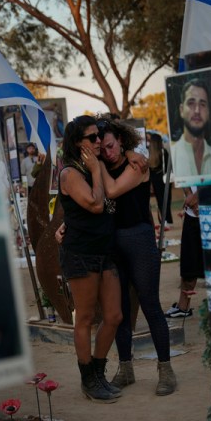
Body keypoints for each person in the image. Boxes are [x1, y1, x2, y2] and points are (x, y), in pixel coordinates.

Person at [94, 118, 176, 396]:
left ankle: (166, 370)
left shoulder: (135, 165)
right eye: (102, 149)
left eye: (111, 145)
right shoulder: (105, 165)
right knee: (119, 311)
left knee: (151, 305)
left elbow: (114, 190)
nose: (108, 152)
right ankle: (125, 369)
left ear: (121, 140)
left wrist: (99, 164)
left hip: (139, 240)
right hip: (113, 244)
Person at [58, 115, 123, 403]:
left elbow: (129, 144)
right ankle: (88, 379)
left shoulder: (99, 164)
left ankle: (98, 371)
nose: (98, 141)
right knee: (84, 317)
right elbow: (96, 204)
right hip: (80, 253)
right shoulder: (70, 173)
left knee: (114, 316)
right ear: (77, 143)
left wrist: (130, 155)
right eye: (92, 138)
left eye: (99, 136)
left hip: (104, 251)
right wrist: (96, 170)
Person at [170, 79, 211, 177]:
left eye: (202, 104)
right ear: (181, 110)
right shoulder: (171, 159)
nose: (197, 110)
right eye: (191, 103)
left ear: (208, 112)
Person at [164, 185, 203, 319]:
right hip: (192, 211)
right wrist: (189, 195)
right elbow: (183, 173)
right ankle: (183, 305)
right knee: (189, 259)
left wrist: (197, 196)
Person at [147, 132, 173, 227]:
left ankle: (164, 220)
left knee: (160, 200)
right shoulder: (163, 152)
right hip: (164, 179)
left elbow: (149, 169)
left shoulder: (149, 153)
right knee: (166, 199)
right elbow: (168, 167)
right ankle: (167, 220)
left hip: (155, 179)